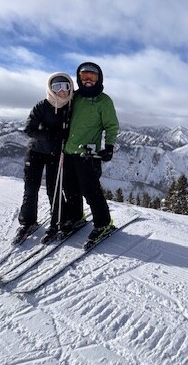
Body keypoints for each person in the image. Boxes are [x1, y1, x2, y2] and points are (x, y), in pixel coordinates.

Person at [15, 72, 76, 244]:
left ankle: (59, 220)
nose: (61, 91)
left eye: (65, 86)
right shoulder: (42, 106)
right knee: (31, 188)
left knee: (53, 189)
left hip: (56, 153)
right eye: (57, 87)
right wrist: (51, 135)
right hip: (36, 151)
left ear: (71, 88)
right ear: (50, 88)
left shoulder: (71, 108)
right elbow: (29, 129)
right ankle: (27, 221)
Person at [62, 62, 119, 244]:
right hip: (68, 151)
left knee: (91, 190)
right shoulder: (75, 97)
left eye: (92, 77)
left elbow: (111, 125)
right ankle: (75, 216)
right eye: (84, 76)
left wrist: (109, 146)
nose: (88, 80)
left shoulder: (103, 101)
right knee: (70, 188)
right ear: (79, 78)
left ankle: (103, 223)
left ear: (99, 79)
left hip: (87, 154)